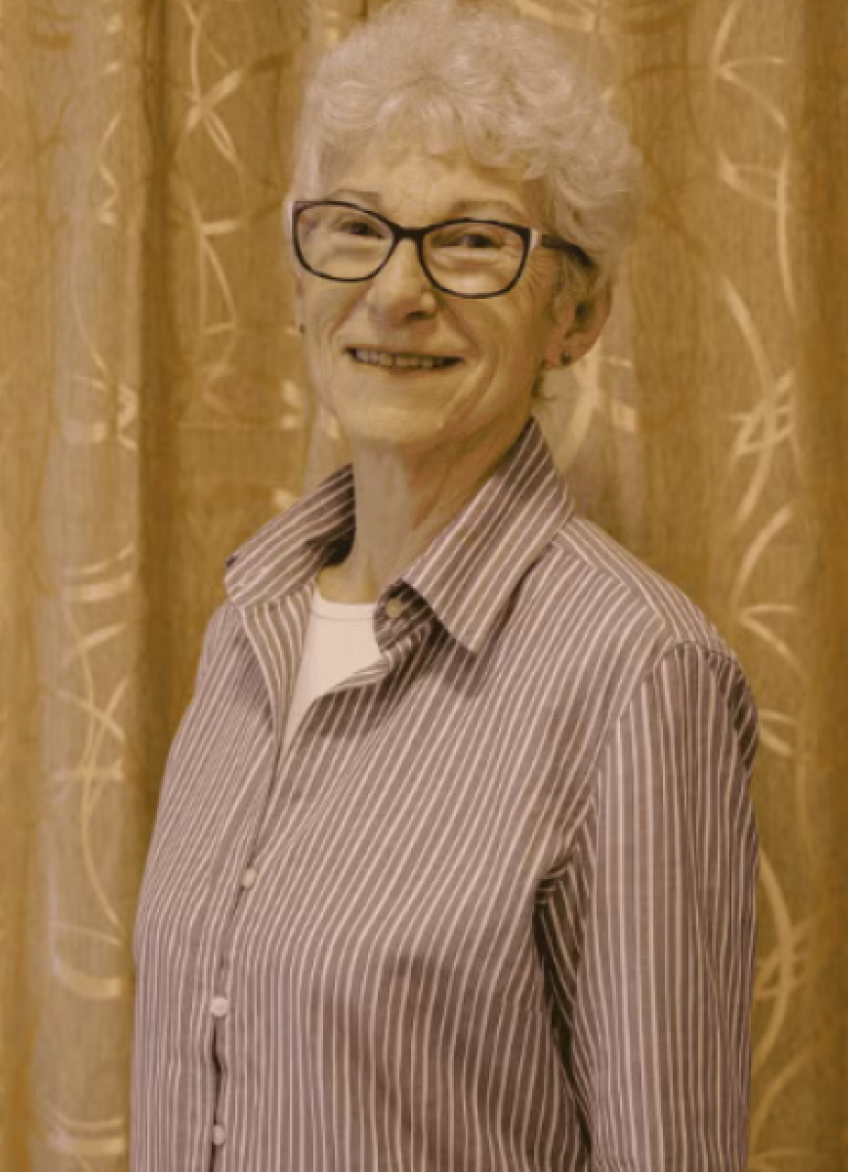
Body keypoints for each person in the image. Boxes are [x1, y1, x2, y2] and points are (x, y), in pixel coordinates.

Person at [132, 1, 760, 1168]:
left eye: (471, 241)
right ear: (300, 278)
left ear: (574, 315)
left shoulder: (637, 675)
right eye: (355, 229)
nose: (395, 290)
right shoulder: (244, 628)